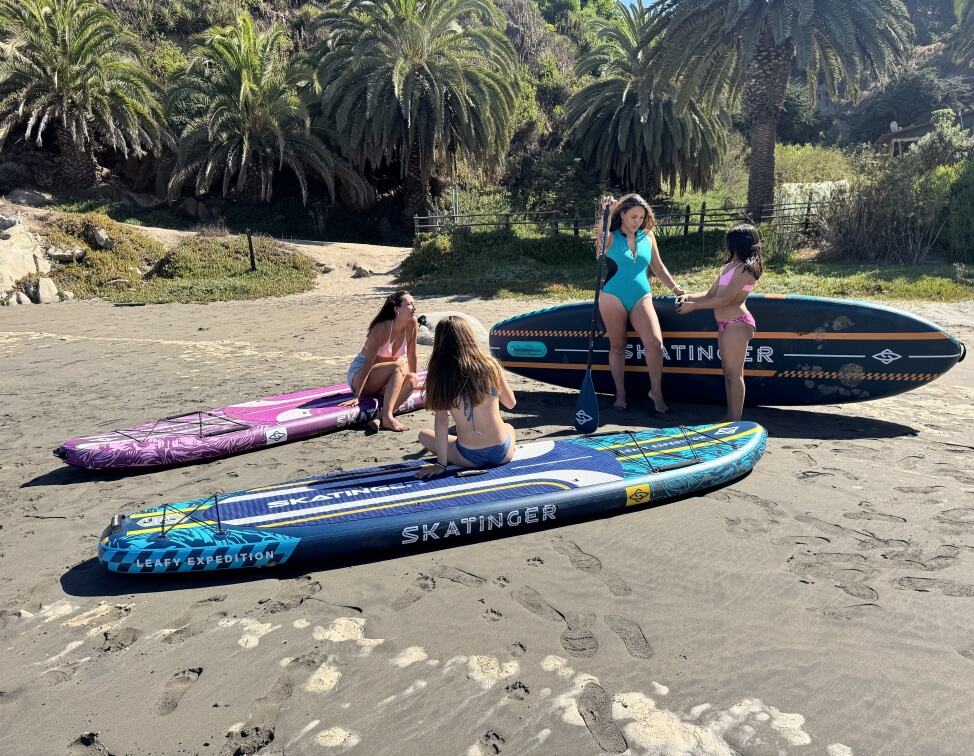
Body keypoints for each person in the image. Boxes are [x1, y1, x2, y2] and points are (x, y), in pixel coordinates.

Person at [596, 194, 685, 414]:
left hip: (641, 296)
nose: (638, 221)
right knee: (618, 346)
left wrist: (677, 289)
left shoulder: (648, 235)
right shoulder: (610, 237)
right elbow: (601, 233)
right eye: (634, 216)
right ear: (622, 215)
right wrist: (606, 212)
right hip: (612, 297)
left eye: (642, 217)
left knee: (655, 344)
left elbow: (658, 267)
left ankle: (656, 392)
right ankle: (620, 394)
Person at [675, 224, 763, 421]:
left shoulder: (745, 269)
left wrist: (694, 306)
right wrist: (688, 296)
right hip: (725, 324)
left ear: (738, 244)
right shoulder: (730, 266)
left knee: (734, 374)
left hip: (737, 323)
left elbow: (726, 300)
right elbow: (711, 294)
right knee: (728, 373)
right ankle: (730, 417)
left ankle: (735, 420)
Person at [416, 315, 517, 478]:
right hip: (502, 453)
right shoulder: (491, 365)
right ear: (469, 337)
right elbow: (511, 403)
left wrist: (441, 464)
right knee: (509, 427)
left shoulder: (439, 375)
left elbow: (441, 422)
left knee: (424, 435)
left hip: (468, 457)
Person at [340, 290, 420, 432]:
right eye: (409, 304)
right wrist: (357, 395)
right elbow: (367, 364)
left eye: (413, 303)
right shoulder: (381, 328)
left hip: (387, 377)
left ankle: (380, 418)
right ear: (396, 309)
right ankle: (388, 417)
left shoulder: (412, 324)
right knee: (399, 366)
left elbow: (412, 355)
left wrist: (415, 382)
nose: (414, 307)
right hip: (361, 375)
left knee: (412, 379)